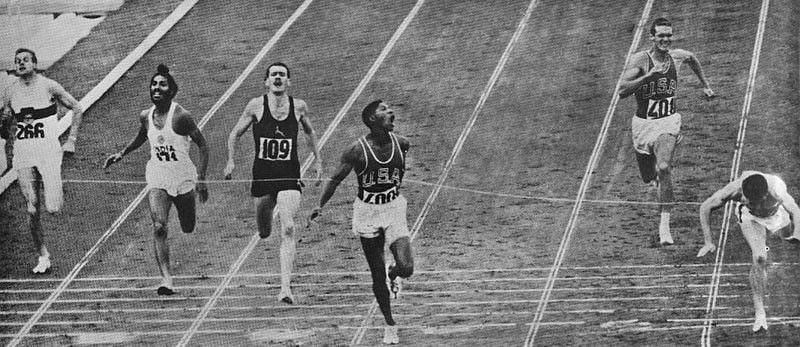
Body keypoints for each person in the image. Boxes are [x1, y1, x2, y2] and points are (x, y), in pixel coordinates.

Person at [309, 100, 415, 345]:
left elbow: (399, 172)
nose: (390, 112)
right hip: (367, 213)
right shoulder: (356, 150)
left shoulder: (402, 144)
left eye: (389, 109)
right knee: (376, 275)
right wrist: (320, 205)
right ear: (371, 120)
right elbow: (335, 179)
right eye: (383, 110)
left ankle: (395, 272)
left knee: (407, 267)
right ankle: (390, 324)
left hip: (393, 208)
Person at [103, 64, 209, 295]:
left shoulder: (181, 117)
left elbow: (202, 145)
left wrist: (201, 178)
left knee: (188, 226)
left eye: (162, 85)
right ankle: (166, 280)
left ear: (171, 91)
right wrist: (122, 153)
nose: (157, 88)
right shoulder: (145, 116)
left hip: (183, 178)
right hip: (158, 175)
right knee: (159, 226)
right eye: (154, 84)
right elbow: (142, 136)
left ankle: (187, 211)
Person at [224, 62, 323, 304]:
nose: (278, 78)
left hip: (289, 175)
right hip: (263, 176)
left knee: (288, 228)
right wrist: (230, 161)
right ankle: (264, 226)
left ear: (288, 82)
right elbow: (235, 133)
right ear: (266, 81)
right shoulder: (255, 105)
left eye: (282, 75)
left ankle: (285, 288)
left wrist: (318, 161)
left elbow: (310, 132)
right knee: (265, 230)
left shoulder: (298, 106)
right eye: (273, 75)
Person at [618, 17, 715, 246]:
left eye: (668, 35)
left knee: (663, 167)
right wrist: (649, 77)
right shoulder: (641, 60)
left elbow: (692, 58)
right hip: (643, 126)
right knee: (648, 177)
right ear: (652, 37)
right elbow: (622, 90)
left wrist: (705, 84)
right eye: (661, 35)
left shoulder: (676, 57)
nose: (665, 39)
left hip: (668, 122)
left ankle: (664, 228)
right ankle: (655, 183)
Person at [0, 48, 84, 274]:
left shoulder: (49, 86)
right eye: (17, 61)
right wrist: (4, 124)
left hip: (48, 151)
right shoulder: (9, 92)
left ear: (35, 64)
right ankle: (42, 255)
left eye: (25, 60)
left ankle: (55, 189)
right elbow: (5, 129)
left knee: (53, 208)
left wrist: (71, 140)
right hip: (24, 153)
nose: (20, 64)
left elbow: (77, 107)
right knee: (31, 207)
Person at [697, 171, 800, 332]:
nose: (749, 202)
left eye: (753, 202)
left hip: (778, 214)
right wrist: (708, 242)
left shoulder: (776, 189)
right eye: (747, 201)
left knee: (791, 242)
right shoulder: (734, 191)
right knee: (759, 257)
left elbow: (795, 209)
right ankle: (760, 313)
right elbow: (705, 207)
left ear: (765, 196)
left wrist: (797, 233)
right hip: (751, 219)